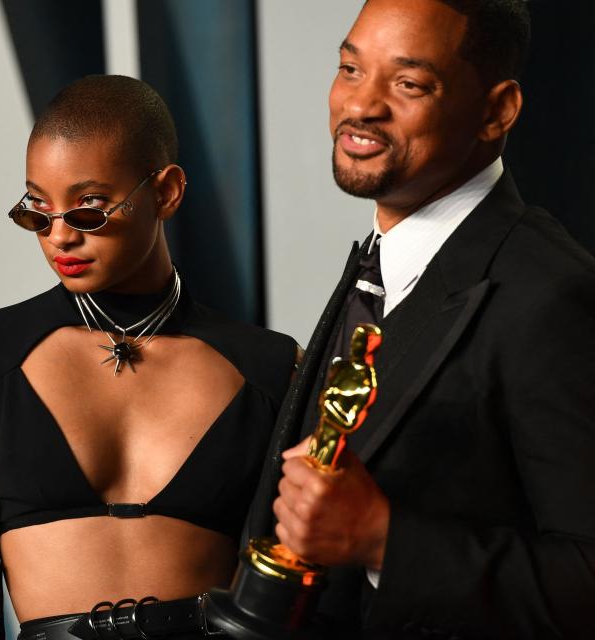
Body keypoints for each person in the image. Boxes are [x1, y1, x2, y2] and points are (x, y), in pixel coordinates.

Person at [246, 0, 595, 638]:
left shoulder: (553, 294)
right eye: (350, 70)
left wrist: (384, 540)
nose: (361, 106)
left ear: (497, 111)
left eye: (408, 84)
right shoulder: (384, 254)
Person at [0, 75, 298, 640]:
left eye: (88, 209)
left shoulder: (271, 368)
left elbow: (300, 586)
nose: (58, 237)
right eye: (37, 212)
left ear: (166, 192)